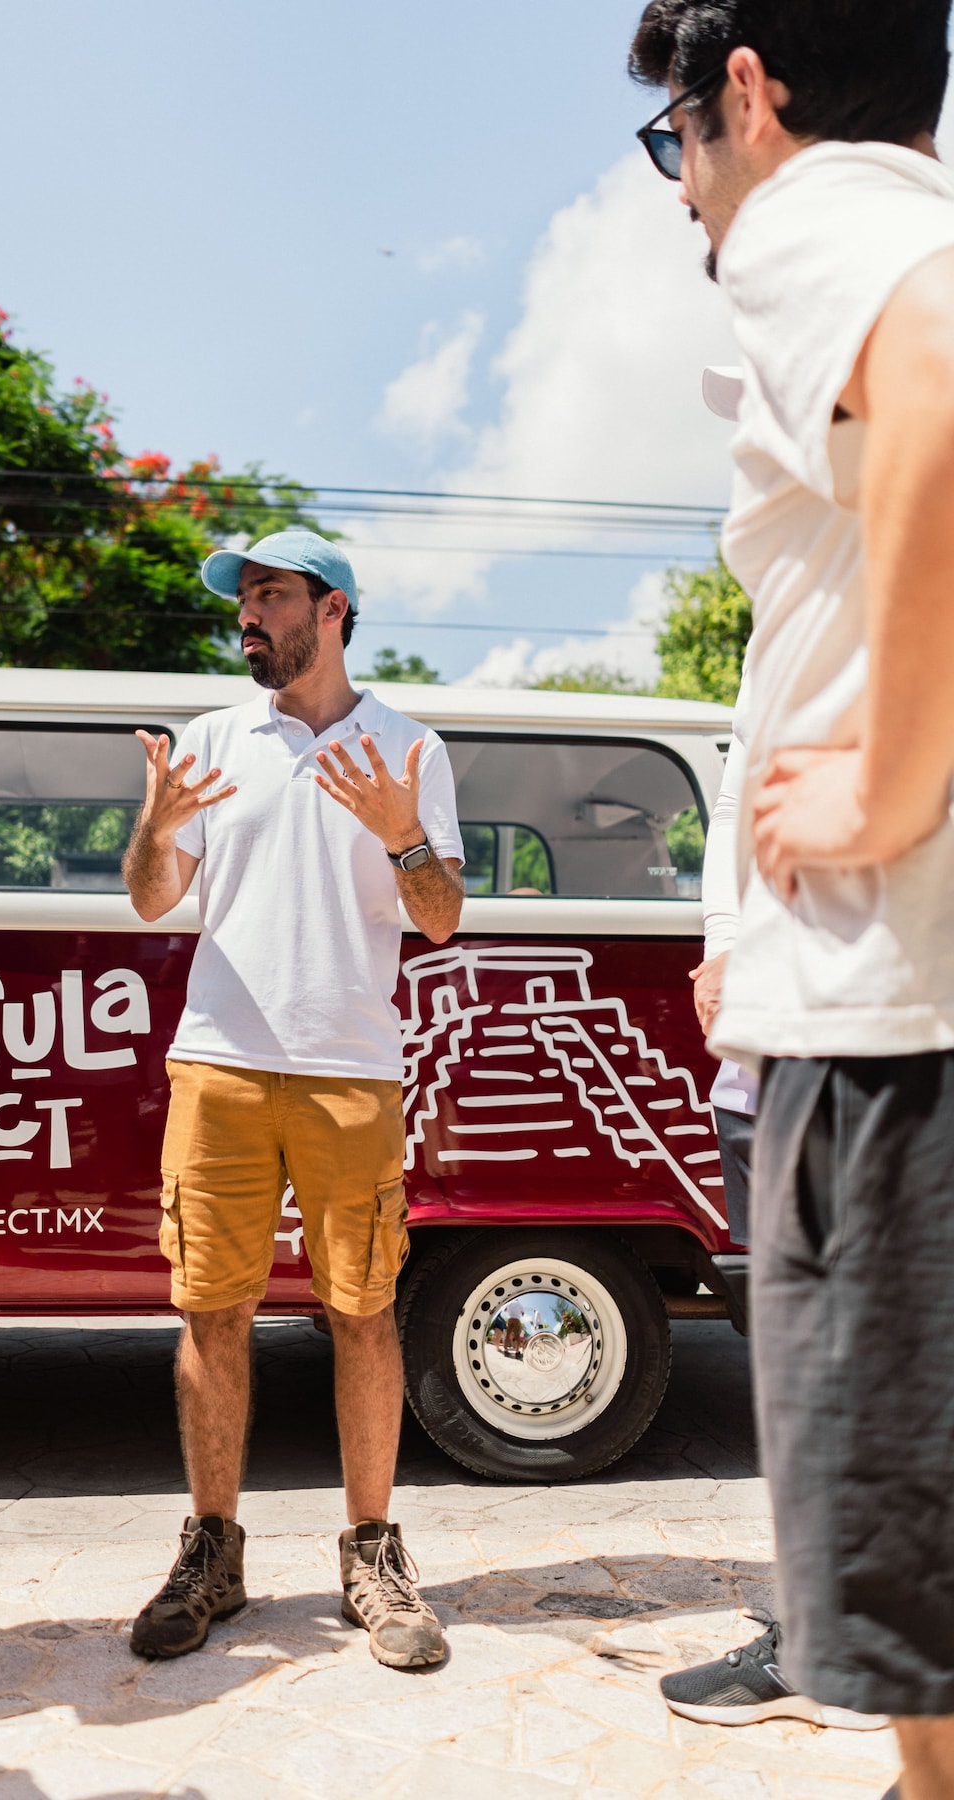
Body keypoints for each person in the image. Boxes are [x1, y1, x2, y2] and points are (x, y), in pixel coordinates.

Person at [630, 6, 954, 1796]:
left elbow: (941, 373)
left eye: (671, 141)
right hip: (894, 998)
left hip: (894, 1010)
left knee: (914, 1615)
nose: (684, 191)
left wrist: (892, 779)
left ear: (744, 93)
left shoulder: (820, 211)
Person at [121, 528, 464, 1668]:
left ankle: (373, 1554)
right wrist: (156, 824)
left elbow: (439, 919)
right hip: (217, 1063)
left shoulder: (411, 748)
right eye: (244, 599)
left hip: (351, 1069)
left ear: (334, 610)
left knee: (362, 1311)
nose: (248, 615)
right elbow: (151, 899)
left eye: (270, 595)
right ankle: (211, 1552)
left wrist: (402, 835)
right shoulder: (212, 741)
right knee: (210, 1310)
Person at [663, 644, 885, 1733]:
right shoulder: (786, 618)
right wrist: (723, 945)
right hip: (761, 1066)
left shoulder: (899, 598)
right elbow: (737, 794)